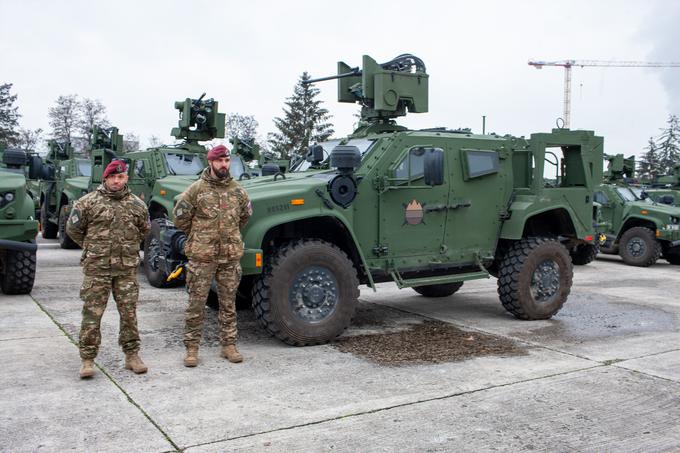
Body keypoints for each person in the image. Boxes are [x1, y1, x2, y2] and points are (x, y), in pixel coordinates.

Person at [66, 160, 150, 379]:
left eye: (120, 177)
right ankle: (87, 359)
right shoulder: (88, 202)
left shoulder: (137, 205)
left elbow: (144, 230)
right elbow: (74, 230)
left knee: (129, 314)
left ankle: (132, 356)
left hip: (125, 270)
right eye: (112, 176)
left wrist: (125, 248)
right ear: (105, 178)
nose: (116, 181)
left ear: (126, 179)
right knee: (92, 315)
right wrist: (94, 248)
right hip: (97, 269)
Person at [173, 144, 251, 367]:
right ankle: (192, 349)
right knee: (196, 304)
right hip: (202, 257)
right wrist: (199, 235)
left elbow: (244, 217)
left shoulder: (238, 191)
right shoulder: (196, 190)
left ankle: (228, 345)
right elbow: (180, 218)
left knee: (228, 304)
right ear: (211, 162)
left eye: (227, 161)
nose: (224, 165)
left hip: (229, 257)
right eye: (219, 161)